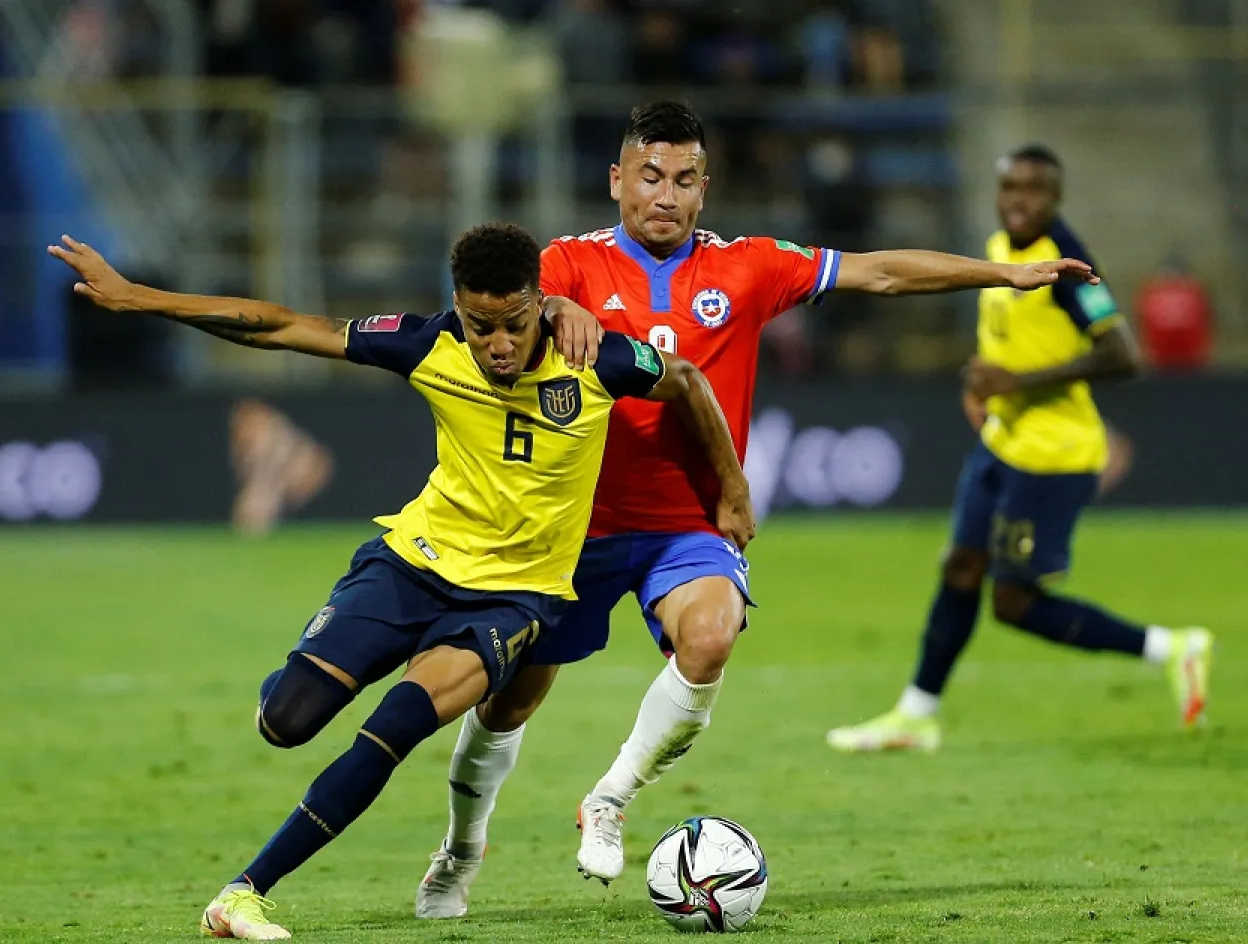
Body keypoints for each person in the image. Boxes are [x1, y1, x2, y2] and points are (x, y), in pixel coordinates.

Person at [415, 102, 1103, 917]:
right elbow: (516, 307)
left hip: (691, 526)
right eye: (648, 176)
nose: (664, 195)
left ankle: (609, 798)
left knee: (710, 638)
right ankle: (460, 851)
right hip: (574, 525)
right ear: (616, 181)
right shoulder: (568, 263)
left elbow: (879, 271)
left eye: (683, 180)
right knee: (509, 702)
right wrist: (560, 308)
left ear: (705, 190)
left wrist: (1006, 273)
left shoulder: (748, 266)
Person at [48, 222, 753, 941]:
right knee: (285, 721)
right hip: (411, 565)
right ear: (458, 307)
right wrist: (139, 298)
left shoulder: (597, 357)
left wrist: (731, 487)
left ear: (540, 304)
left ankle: (243, 893)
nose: (498, 346)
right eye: (482, 329)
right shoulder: (430, 344)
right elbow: (283, 327)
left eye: (513, 325)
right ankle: (317, 665)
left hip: (513, 601)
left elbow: (690, 381)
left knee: (395, 728)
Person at [825, 145, 1214, 755]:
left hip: (1053, 457)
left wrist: (1018, 384)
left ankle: (1173, 649)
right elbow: (1005, 339)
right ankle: (916, 715)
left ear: (1055, 199)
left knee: (1013, 603)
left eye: (1033, 190)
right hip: (1002, 443)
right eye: (1009, 187)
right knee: (959, 567)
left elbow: (1122, 354)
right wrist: (981, 383)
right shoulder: (1002, 249)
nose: (1018, 200)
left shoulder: (1070, 267)